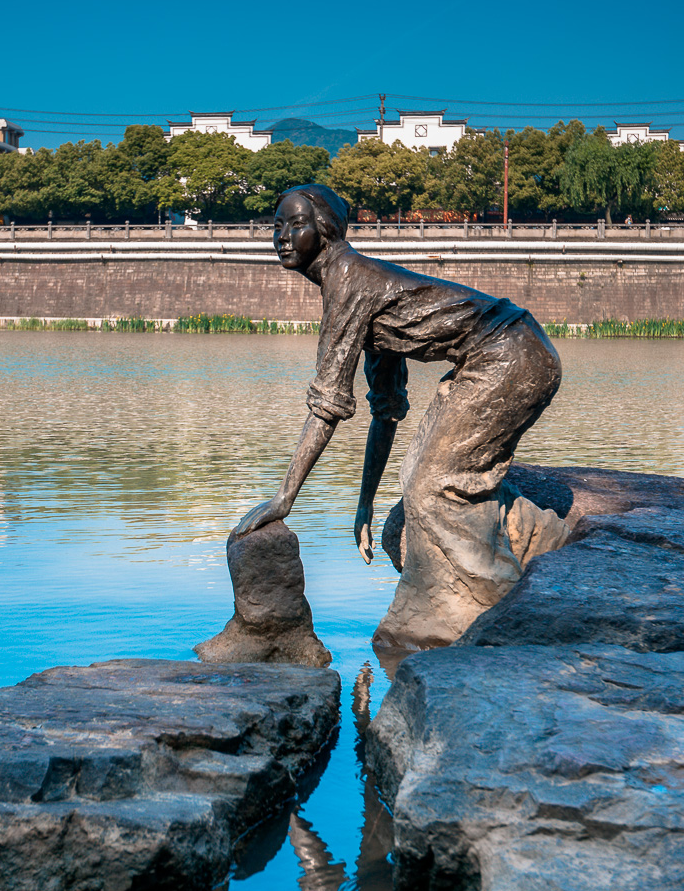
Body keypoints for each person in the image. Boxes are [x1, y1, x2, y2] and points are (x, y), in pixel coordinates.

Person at [233, 184, 563, 647]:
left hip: (508, 353)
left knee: (428, 484)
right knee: (423, 480)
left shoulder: (350, 281)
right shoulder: (362, 287)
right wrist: (364, 504)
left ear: (324, 230)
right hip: (506, 351)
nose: (282, 236)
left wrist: (285, 498)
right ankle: (543, 545)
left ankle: (496, 610)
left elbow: (327, 406)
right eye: (276, 226)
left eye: (295, 224)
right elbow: (385, 413)